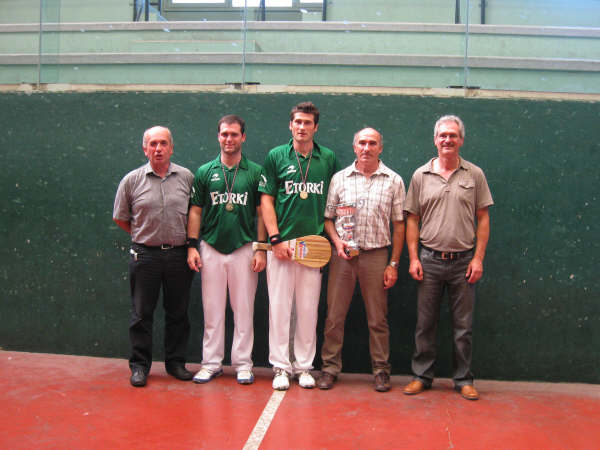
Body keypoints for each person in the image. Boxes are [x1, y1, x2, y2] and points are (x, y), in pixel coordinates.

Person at [402, 115, 493, 401]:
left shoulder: (474, 174)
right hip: (429, 260)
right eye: (442, 135)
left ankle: (463, 379)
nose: (447, 140)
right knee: (424, 323)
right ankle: (421, 376)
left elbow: (483, 219)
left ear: (461, 140)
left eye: (453, 135)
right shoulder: (420, 175)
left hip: (463, 263)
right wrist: (413, 258)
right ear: (435, 140)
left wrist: (478, 259)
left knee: (463, 328)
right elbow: (412, 220)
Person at [259, 101, 340, 390]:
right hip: (282, 246)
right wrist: (275, 239)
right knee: (279, 308)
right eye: (298, 122)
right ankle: (281, 366)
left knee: (308, 310)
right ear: (290, 125)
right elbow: (266, 198)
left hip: (314, 246)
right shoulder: (276, 156)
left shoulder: (328, 158)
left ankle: (304, 366)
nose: (302, 127)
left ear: (316, 127)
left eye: (308, 123)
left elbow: (336, 200)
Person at [317, 128, 405, 393]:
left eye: (372, 143)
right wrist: (337, 242)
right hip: (343, 257)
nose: (367, 147)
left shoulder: (394, 180)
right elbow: (328, 218)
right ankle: (330, 368)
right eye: (362, 143)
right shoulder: (339, 179)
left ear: (380, 147)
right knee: (334, 316)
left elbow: (399, 225)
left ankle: (381, 370)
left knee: (378, 319)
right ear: (354, 147)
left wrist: (393, 263)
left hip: (377, 256)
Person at [186, 115, 266, 385]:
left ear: (243, 137)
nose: (228, 139)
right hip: (211, 247)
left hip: (244, 248)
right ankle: (211, 363)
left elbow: (261, 212)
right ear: (218, 137)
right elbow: (195, 211)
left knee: (243, 310)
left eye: (234, 134)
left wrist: (261, 249)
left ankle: (243, 364)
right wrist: (192, 246)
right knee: (213, 310)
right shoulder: (205, 171)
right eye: (224, 134)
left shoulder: (254, 171)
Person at [113, 126, 195, 387]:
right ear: (145, 149)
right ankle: (139, 366)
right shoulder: (131, 181)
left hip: (179, 256)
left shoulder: (187, 178)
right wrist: (145, 236)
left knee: (178, 313)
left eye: (163, 143)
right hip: (144, 256)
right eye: (153, 144)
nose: (158, 148)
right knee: (141, 314)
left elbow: (196, 214)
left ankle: (175, 363)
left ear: (171, 147)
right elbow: (121, 218)